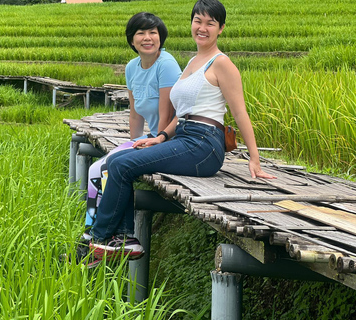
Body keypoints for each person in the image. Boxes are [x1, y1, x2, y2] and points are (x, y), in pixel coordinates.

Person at [88, 0, 276, 261]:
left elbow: (240, 113)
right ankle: (122, 238)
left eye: (210, 23)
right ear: (191, 24)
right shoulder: (192, 62)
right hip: (186, 137)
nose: (202, 27)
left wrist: (254, 159)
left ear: (220, 28)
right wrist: (161, 137)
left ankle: (98, 239)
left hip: (204, 144)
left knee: (122, 165)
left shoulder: (221, 63)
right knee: (119, 159)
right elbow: (184, 111)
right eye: (198, 21)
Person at [76, 12, 182, 265]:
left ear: (161, 37)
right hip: (150, 137)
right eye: (141, 33)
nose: (148, 38)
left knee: (108, 168)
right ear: (131, 40)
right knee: (95, 167)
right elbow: (135, 115)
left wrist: (140, 149)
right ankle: (100, 233)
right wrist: (131, 144)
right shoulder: (132, 67)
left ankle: (106, 238)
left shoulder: (166, 64)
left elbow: (168, 115)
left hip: (170, 138)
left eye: (153, 32)